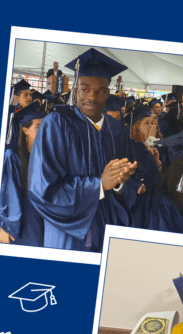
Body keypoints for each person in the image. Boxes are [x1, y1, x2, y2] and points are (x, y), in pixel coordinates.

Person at [28, 49, 137, 252]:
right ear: (75, 89)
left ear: (108, 93)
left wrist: (120, 183)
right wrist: (99, 185)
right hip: (69, 234)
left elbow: (122, 185)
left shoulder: (115, 129)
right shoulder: (57, 124)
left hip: (107, 226)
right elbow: (42, 189)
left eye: (100, 91)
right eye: (85, 89)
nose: (92, 97)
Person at [0, 102, 45, 246]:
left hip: (44, 218)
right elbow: (8, 193)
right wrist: (5, 225)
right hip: (25, 220)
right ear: (25, 130)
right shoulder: (12, 156)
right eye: (38, 127)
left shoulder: (46, 155)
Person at [124, 104, 162, 228]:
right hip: (137, 206)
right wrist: (149, 154)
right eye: (146, 123)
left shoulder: (151, 147)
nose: (151, 127)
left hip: (152, 203)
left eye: (153, 123)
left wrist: (157, 163)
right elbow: (142, 175)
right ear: (136, 126)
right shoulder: (129, 147)